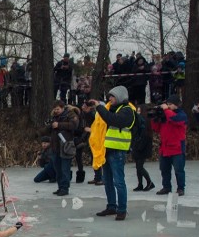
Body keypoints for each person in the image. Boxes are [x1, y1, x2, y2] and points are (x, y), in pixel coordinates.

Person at [87, 86, 136, 221]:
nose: (109, 99)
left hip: (117, 150)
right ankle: (111, 206)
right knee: (107, 181)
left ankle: (122, 209)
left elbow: (113, 120)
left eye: (112, 96)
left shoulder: (127, 110)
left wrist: (100, 107)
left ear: (120, 96)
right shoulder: (109, 108)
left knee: (118, 182)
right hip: (106, 150)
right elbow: (101, 122)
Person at [150, 95, 187, 196]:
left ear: (176, 105)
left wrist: (166, 111)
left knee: (179, 170)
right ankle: (166, 187)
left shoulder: (181, 114)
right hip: (165, 147)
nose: (168, 106)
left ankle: (180, 188)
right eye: (167, 104)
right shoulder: (165, 115)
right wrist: (155, 117)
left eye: (170, 104)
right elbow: (156, 129)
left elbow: (176, 120)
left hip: (177, 147)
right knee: (164, 169)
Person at [46, 100, 79, 196]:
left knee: (65, 168)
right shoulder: (54, 117)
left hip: (66, 146)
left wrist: (59, 125)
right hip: (56, 146)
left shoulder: (71, 114)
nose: (56, 111)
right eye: (55, 109)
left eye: (58, 109)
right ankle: (60, 187)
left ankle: (65, 188)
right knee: (58, 168)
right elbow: (50, 128)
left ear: (63, 108)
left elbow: (74, 125)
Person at [130, 106, 155, 191]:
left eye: (140, 111)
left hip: (142, 148)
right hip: (137, 146)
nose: (138, 112)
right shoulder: (138, 121)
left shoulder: (145, 122)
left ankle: (149, 182)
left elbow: (145, 136)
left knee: (140, 167)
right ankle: (140, 184)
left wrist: (139, 146)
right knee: (138, 167)